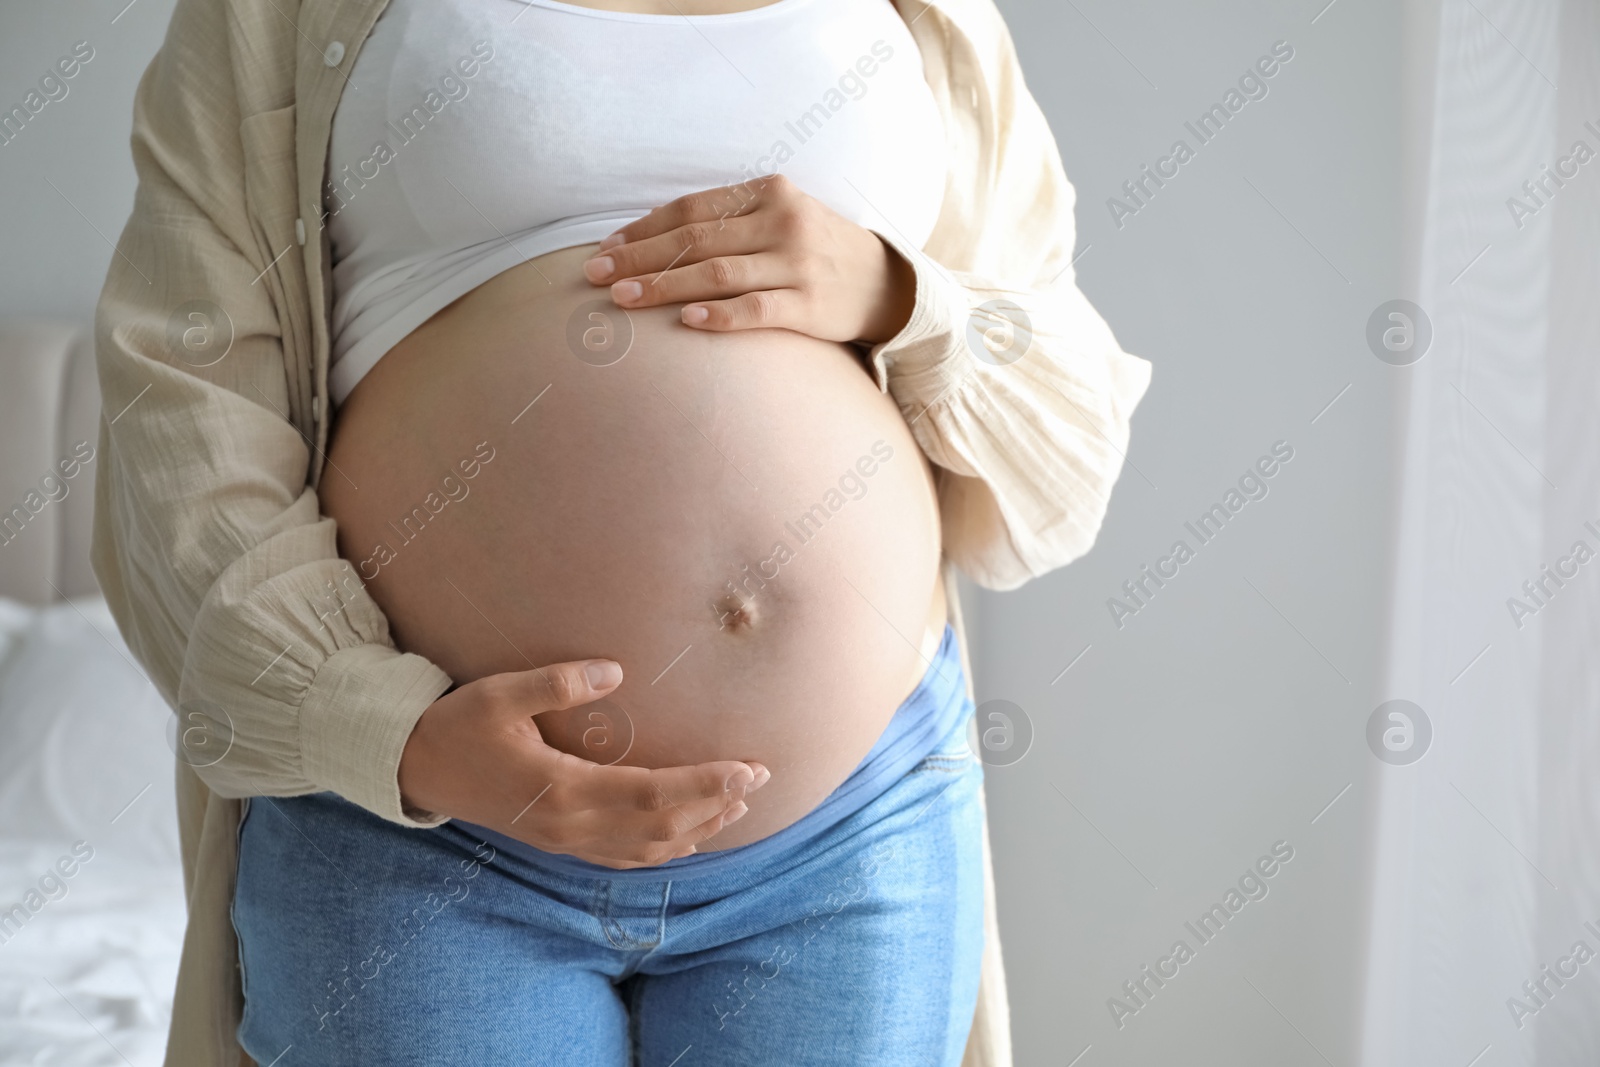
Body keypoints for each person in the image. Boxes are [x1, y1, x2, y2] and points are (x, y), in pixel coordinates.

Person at [92, 0, 1152, 1063]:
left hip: (846, 831)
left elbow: (1066, 443)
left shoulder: (938, 23)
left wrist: (899, 293)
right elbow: (183, 394)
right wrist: (392, 735)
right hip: (424, 834)